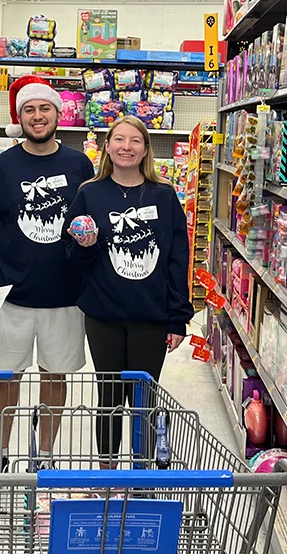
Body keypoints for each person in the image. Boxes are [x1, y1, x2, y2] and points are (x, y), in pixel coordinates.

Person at [0, 75, 95, 472]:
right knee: (6, 380)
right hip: (11, 296)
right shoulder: (1, 168)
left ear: (58, 114)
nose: (37, 116)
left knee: (54, 378)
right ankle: (1, 453)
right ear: (19, 117)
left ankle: (45, 454)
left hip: (66, 295)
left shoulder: (79, 164)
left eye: (44, 108)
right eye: (29, 109)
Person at [64, 115, 194, 466]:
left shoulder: (164, 196)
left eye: (135, 140)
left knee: (144, 399)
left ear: (145, 149)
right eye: (119, 139)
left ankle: (141, 472)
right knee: (108, 397)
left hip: (151, 317)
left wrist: (177, 318)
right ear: (107, 146)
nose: (126, 147)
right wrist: (86, 244)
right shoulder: (89, 194)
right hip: (103, 314)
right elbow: (74, 256)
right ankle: (106, 471)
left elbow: (177, 259)